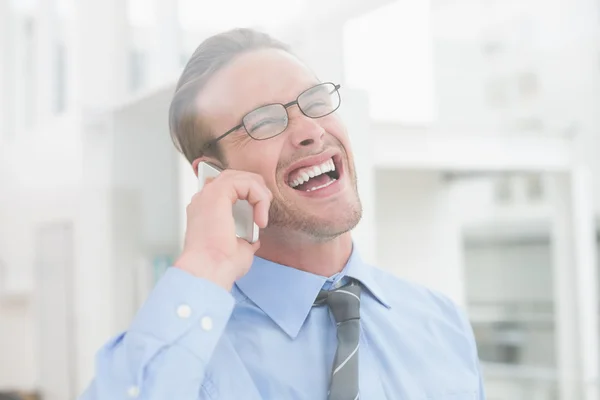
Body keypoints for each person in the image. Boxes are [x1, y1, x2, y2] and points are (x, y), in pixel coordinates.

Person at [79, 28, 486, 400]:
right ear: (212, 175)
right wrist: (206, 264)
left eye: (315, 101)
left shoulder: (442, 323)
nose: (310, 129)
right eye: (264, 122)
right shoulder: (189, 359)